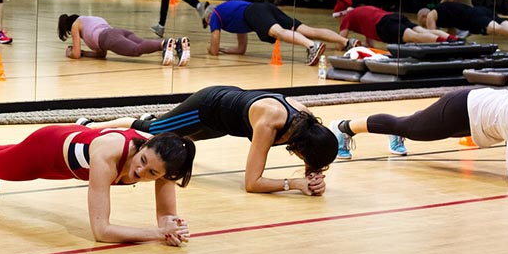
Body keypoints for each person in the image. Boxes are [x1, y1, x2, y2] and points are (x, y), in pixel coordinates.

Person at [0, 125, 196, 246]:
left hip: (70, 166)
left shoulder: (166, 161)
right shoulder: (108, 155)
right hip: (47, 150)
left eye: (151, 173)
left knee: (1, 159)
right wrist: (159, 234)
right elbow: (101, 231)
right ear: (144, 145)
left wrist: (173, 229)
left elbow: (167, 218)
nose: (139, 170)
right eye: (142, 160)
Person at [328, 88, 508, 191]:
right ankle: (344, 128)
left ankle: (399, 129)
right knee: (410, 126)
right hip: (461, 108)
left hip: (476, 118)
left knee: (415, 124)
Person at [83, 85, 336, 195]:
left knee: (176, 133)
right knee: (153, 132)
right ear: (302, 147)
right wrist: (293, 183)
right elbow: (252, 182)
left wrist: (312, 179)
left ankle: (161, 119)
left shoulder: (307, 125)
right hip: (208, 107)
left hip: (224, 122)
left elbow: (312, 153)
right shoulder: (269, 123)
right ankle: (92, 125)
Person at [204, 0, 361, 65]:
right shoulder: (231, 15)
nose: (211, 25)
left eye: (208, 22)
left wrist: (213, 51)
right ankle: (347, 42)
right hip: (263, 8)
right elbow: (241, 48)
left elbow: (214, 44)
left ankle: (311, 46)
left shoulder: (215, 13)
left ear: (209, 16)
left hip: (254, 12)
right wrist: (226, 50)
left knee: (277, 32)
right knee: (307, 29)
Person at [417, 2, 508, 55]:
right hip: (479, 11)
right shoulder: (444, 12)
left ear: (423, 16)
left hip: (472, 18)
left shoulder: (430, 15)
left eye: (422, 24)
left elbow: (433, 37)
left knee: (494, 29)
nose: (425, 27)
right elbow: (451, 35)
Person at [57, 13, 189, 66]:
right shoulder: (90, 19)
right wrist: (86, 53)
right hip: (117, 31)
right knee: (142, 43)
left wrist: (70, 53)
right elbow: (102, 54)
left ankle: (164, 44)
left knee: (135, 50)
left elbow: (76, 54)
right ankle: (177, 44)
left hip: (108, 38)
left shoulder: (76, 24)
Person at [333, 0, 454, 47]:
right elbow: (370, 40)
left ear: (341, 14)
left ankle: (444, 43)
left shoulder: (347, 17)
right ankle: (452, 38)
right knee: (420, 30)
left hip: (384, 26)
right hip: (392, 16)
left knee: (415, 37)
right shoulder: (360, 11)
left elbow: (340, 43)